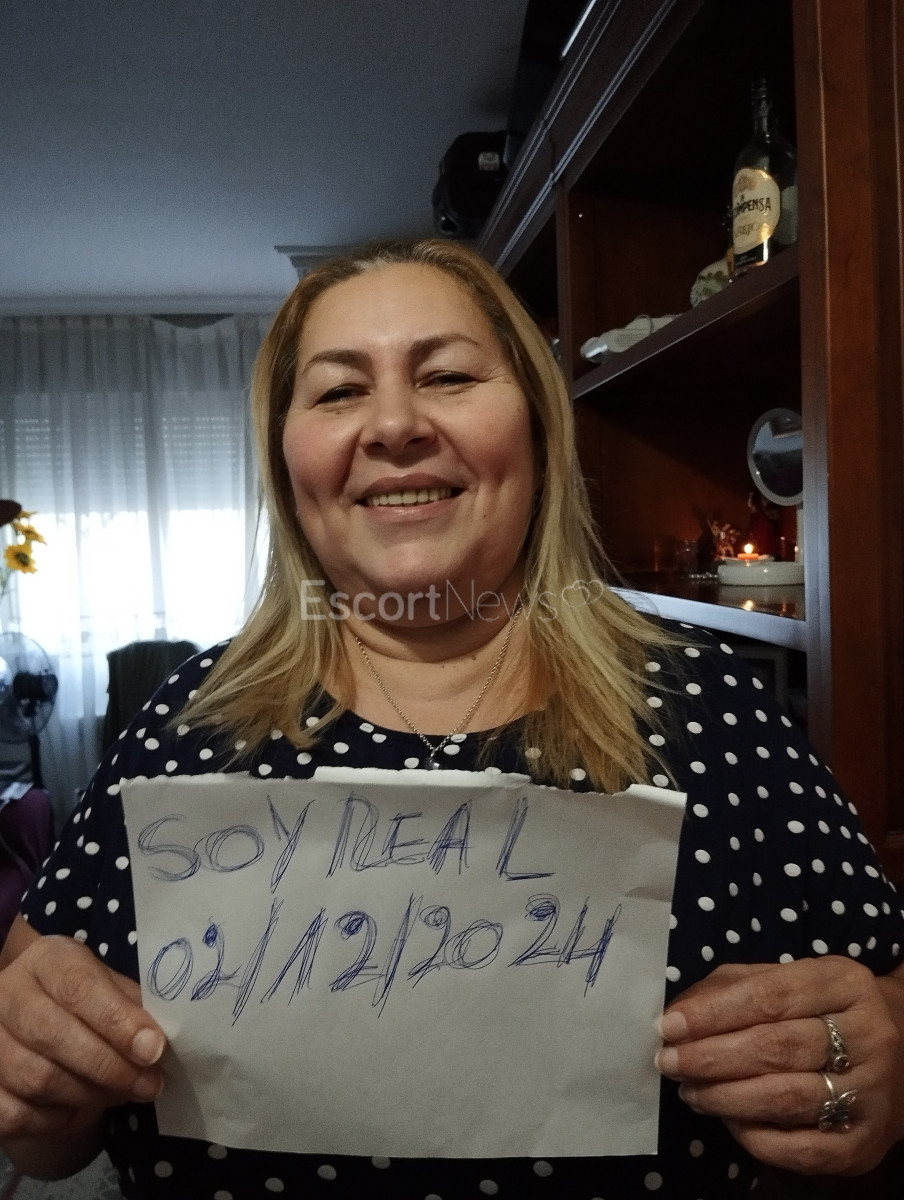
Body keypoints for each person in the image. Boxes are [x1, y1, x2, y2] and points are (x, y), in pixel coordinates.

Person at [0, 238, 902, 1199]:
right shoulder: (185, 722)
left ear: (537, 427)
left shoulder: (712, 707)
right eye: (339, 391)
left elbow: (881, 1004)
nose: (395, 425)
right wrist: (30, 1075)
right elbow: (47, 1141)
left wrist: (880, 1068)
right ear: (285, 456)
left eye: (448, 376)